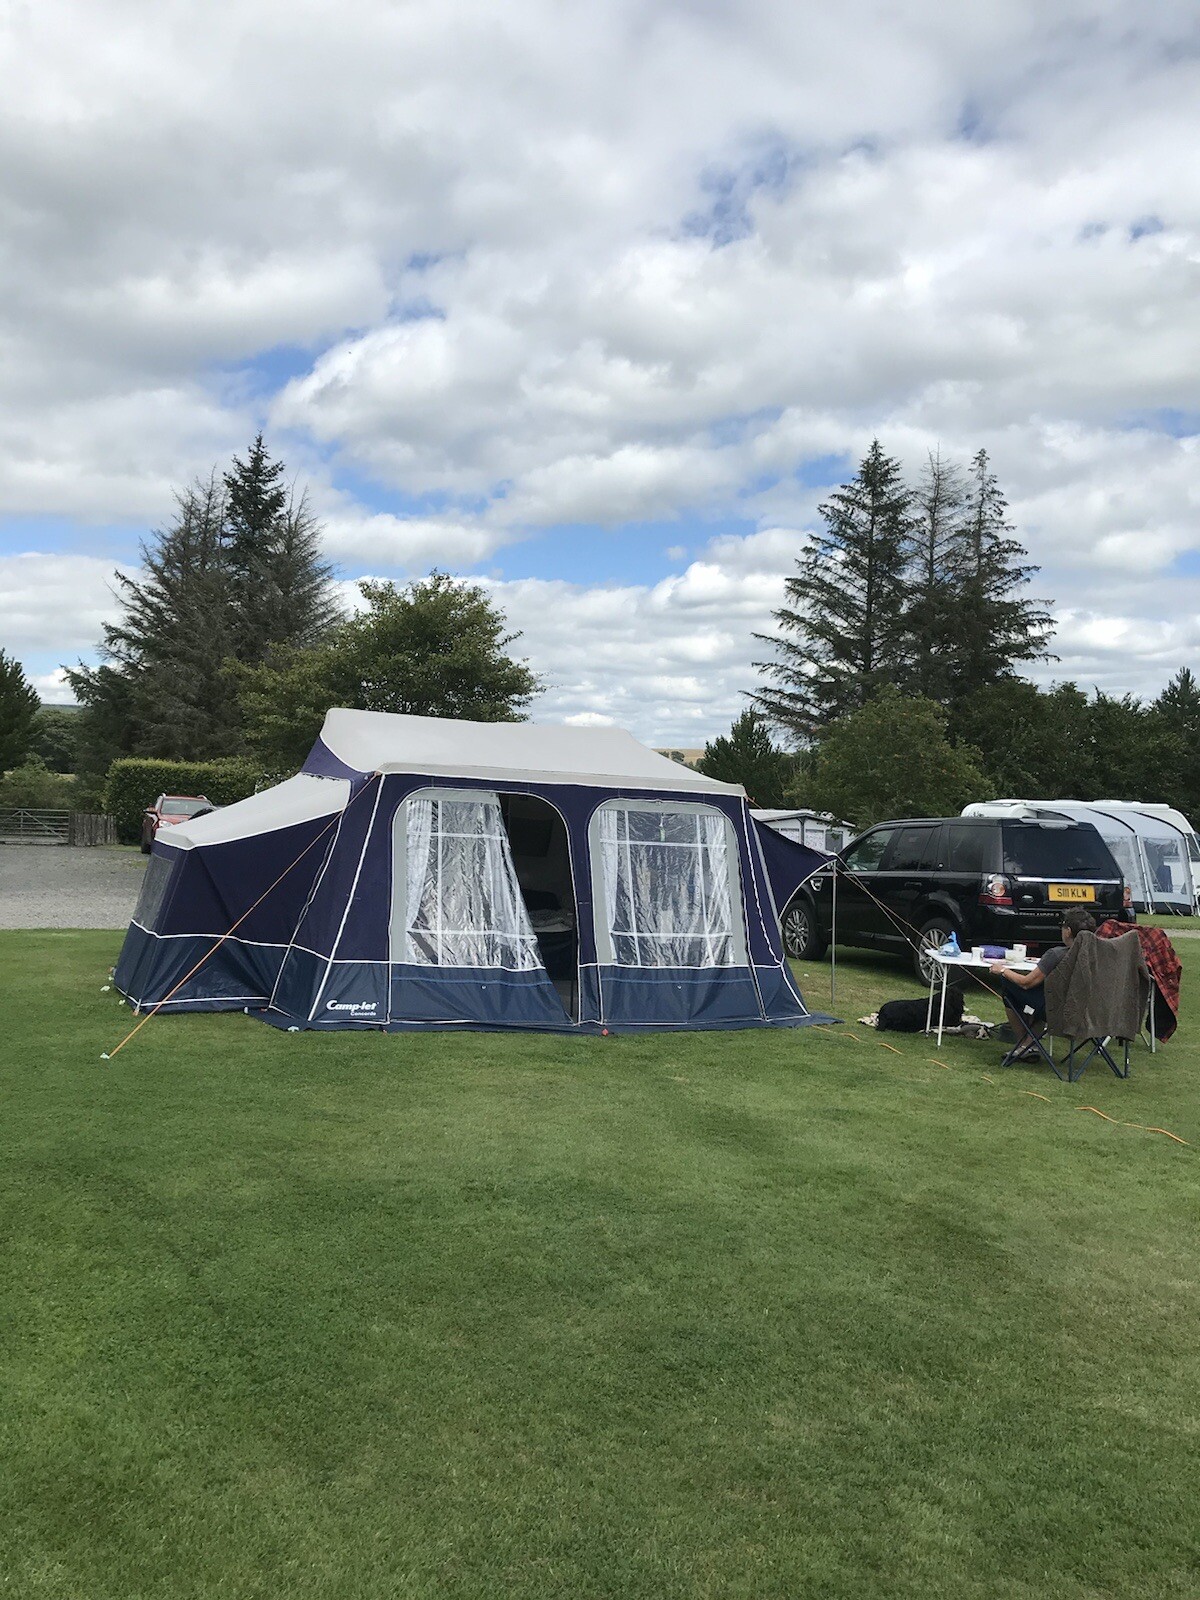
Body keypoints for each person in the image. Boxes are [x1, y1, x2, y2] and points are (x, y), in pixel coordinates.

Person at [989, 907, 1097, 1064]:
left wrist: (1003, 970)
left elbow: (1026, 983)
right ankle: (1029, 1043)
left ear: (1068, 931)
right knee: (1041, 991)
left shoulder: (1057, 954)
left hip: (1059, 1013)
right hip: (1093, 1013)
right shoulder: (1098, 956)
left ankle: (1026, 1044)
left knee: (1009, 986)